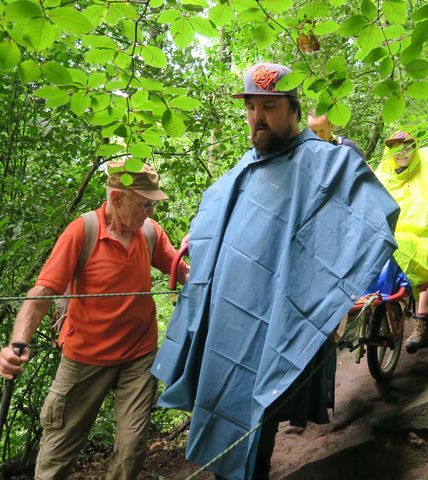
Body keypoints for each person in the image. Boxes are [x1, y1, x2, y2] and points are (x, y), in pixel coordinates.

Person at [152, 62, 399, 480]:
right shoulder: (243, 167)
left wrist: (315, 288)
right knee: (221, 402)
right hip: (226, 320)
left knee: (254, 413)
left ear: (293, 108)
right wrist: (204, 238)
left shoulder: (325, 164)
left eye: (269, 106)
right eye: (251, 108)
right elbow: (222, 221)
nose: (258, 117)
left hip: (275, 319)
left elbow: (372, 222)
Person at [0, 161, 188, 479]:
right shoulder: (82, 232)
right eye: (144, 204)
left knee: (131, 449)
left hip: (138, 356)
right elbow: (41, 294)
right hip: (84, 357)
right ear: (116, 198)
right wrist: (16, 344)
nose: (150, 212)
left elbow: (180, 270)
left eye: (152, 204)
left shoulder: (148, 232)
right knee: (57, 452)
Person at [374, 131, 428, 354]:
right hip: (392, 233)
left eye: (405, 146)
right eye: (395, 147)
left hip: (423, 235)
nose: (401, 152)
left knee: (422, 258)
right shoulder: (385, 173)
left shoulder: (426, 170)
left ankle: (422, 325)